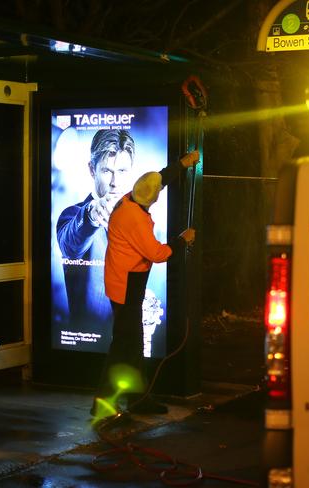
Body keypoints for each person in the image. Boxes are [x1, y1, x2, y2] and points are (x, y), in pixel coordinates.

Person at [91, 149, 199, 418]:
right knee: (124, 347)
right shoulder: (135, 220)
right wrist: (183, 239)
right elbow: (157, 254)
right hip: (128, 287)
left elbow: (158, 179)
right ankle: (104, 403)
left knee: (131, 345)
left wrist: (183, 164)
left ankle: (137, 400)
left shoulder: (129, 199)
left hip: (123, 284)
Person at [55, 129, 136, 338]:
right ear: (92, 169)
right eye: (107, 171)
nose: (115, 182)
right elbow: (72, 246)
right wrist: (91, 214)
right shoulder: (72, 215)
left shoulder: (136, 220)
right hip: (88, 339)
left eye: (122, 171)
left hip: (129, 339)